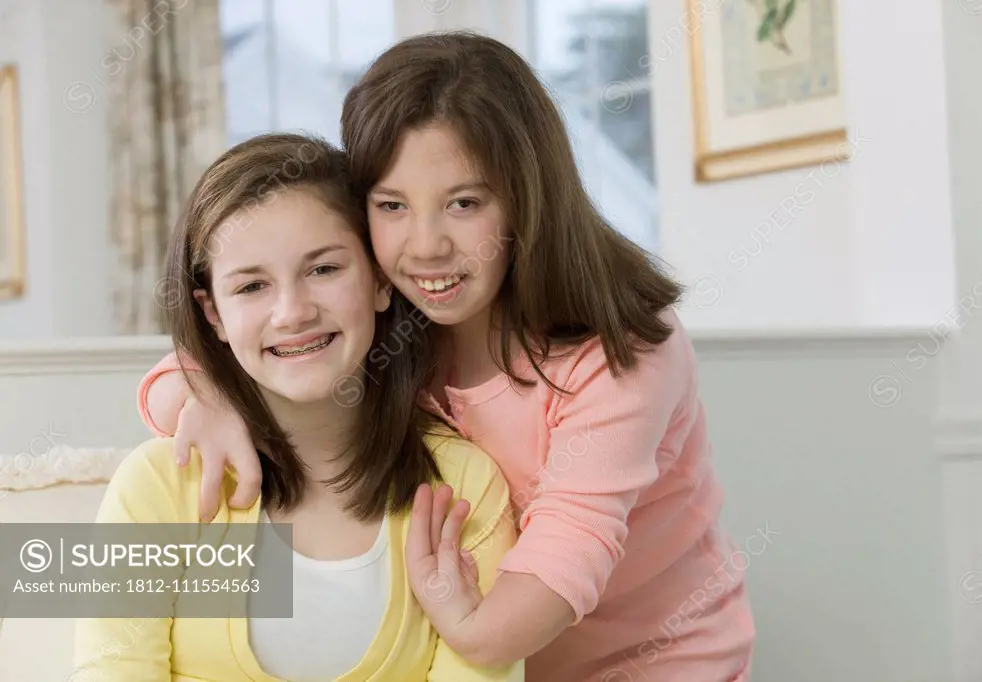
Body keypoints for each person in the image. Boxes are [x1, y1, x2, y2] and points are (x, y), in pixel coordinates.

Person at [135, 32, 755, 682]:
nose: (426, 247)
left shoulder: (620, 349)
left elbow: (558, 569)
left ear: (528, 195)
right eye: (392, 206)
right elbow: (200, 368)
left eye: (464, 203)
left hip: (654, 663)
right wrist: (211, 395)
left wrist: (469, 629)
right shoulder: (399, 314)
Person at [74, 133, 523, 681]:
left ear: (380, 280)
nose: (292, 312)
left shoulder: (466, 485)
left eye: (323, 270)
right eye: (252, 287)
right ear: (212, 314)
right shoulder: (158, 487)